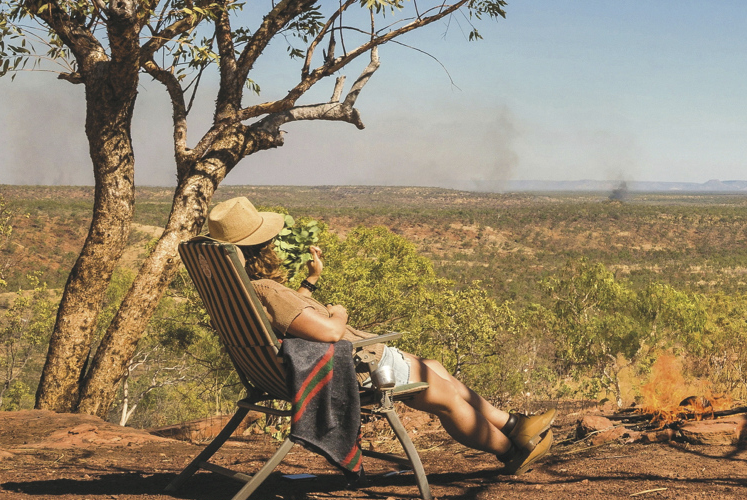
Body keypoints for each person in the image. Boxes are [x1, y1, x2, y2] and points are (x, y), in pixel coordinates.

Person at [205, 195, 555, 474]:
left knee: (434, 366)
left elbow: (289, 318)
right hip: (357, 364)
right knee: (445, 396)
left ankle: (514, 425)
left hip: (298, 370)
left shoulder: (242, 290)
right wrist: (339, 312)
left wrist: (310, 282)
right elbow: (330, 331)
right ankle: (512, 452)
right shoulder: (267, 289)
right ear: (263, 247)